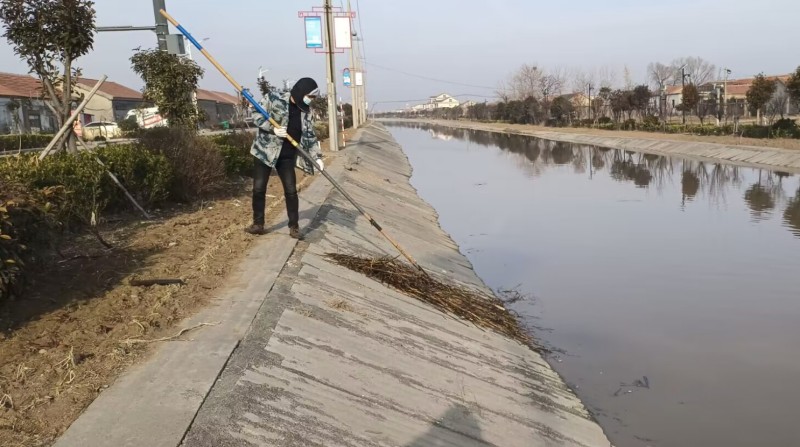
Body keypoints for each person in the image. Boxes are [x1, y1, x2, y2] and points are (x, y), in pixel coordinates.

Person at [246, 77, 324, 239]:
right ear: (301, 91)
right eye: (310, 96)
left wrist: (317, 157)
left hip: (287, 156)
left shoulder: (305, 112)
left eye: (313, 98)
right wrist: (272, 129)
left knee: (291, 190)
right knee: (259, 189)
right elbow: (256, 114)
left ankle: (294, 227)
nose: (310, 100)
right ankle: (258, 224)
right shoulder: (274, 97)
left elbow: (310, 135)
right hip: (265, 151)